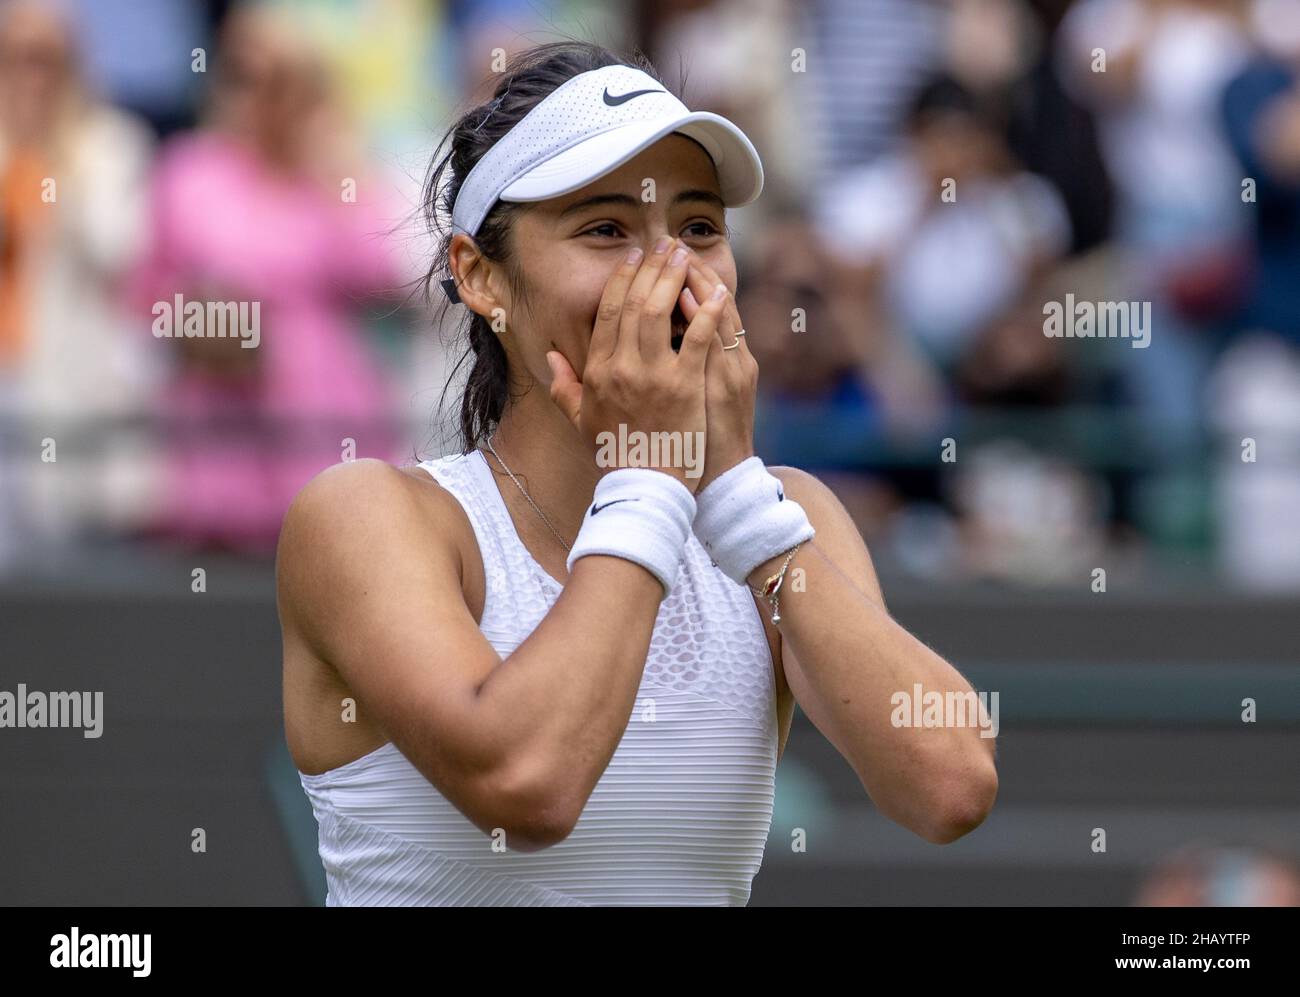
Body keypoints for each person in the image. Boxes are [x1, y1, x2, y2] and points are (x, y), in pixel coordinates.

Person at [277, 41, 998, 906]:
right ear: (479, 276)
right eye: (606, 229)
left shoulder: (783, 513)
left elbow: (952, 787)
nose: (670, 272)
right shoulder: (369, 516)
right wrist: (651, 476)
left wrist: (734, 497)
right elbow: (528, 783)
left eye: (699, 227)